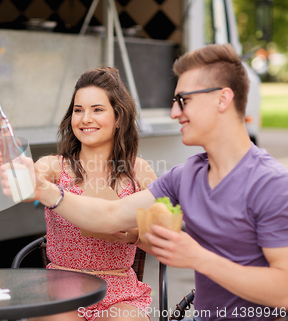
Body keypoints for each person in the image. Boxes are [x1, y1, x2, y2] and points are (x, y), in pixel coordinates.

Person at [16, 44, 288, 320]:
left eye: (184, 100)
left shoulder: (272, 184)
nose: (173, 113)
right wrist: (44, 190)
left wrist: (196, 256)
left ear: (222, 99)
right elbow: (111, 216)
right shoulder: (185, 176)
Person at [31, 67, 157, 321]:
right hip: (62, 286)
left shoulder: (138, 170)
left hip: (119, 290)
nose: (85, 118)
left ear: (118, 117)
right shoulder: (54, 166)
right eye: (78, 110)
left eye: (97, 109)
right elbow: (19, 186)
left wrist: (135, 235)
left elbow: (166, 240)